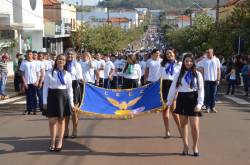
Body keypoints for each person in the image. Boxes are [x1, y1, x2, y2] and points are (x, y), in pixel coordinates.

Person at [167, 53, 204, 157]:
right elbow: (173, 88)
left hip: (193, 100)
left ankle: (195, 146)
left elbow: (201, 90)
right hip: (182, 99)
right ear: (183, 62)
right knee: (183, 125)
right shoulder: (179, 74)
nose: (188, 63)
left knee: (195, 126)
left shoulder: (198, 74)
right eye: (186, 61)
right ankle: (185, 146)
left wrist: (200, 103)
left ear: (193, 62)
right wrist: (169, 102)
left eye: (190, 61)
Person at [43, 54, 74, 152]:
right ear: (56, 61)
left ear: (65, 62)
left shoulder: (67, 74)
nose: (61, 61)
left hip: (63, 97)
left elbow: (70, 90)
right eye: (59, 59)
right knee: (52, 122)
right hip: (52, 97)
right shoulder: (49, 72)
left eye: (63, 60)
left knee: (61, 121)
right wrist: (44, 101)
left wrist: (72, 104)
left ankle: (60, 141)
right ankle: (52, 141)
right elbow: (45, 88)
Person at [160, 49, 181, 138]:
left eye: (170, 53)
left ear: (174, 54)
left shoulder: (179, 64)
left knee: (174, 111)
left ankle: (180, 130)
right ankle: (167, 130)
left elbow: (180, 78)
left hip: (174, 86)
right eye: (167, 54)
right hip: (164, 86)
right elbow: (161, 77)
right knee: (165, 110)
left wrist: (177, 91)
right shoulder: (163, 64)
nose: (169, 55)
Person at [64, 49, 83, 138]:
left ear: (74, 56)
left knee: (74, 110)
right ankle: (66, 129)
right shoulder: (63, 64)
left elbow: (79, 77)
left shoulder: (77, 65)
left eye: (72, 55)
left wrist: (82, 81)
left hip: (75, 86)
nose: (70, 56)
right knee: (66, 111)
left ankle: (75, 129)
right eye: (68, 54)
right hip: (64, 86)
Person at [198, 48, 220, 113]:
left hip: (214, 80)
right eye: (207, 52)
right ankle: (207, 107)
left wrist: (218, 79)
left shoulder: (216, 60)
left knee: (213, 94)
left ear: (212, 53)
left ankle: (212, 107)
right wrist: (202, 79)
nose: (208, 53)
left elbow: (218, 70)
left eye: (209, 52)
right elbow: (201, 69)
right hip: (206, 80)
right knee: (207, 94)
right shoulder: (204, 60)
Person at [20, 50, 40, 115]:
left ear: (32, 55)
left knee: (34, 96)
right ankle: (29, 110)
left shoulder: (35, 62)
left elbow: (38, 73)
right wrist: (24, 83)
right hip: (27, 82)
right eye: (28, 54)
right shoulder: (24, 62)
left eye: (30, 54)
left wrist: (37, 81)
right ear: (26, 55)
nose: (29, 55)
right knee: (28, 97)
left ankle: (34, 110)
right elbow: (22, 74)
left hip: (34, 82)